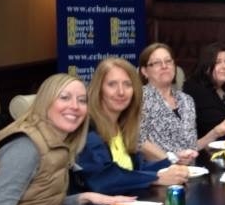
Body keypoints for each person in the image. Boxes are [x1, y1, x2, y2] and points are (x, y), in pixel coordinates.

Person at [0, 74, 134, 205]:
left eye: (82, 100)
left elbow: (33, 204)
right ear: (45, 102)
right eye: (64, 98)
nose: (75, 106)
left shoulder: (59, 141)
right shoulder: (24, 147)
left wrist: (84, 198)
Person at [74, 58, 191, 195]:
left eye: (127, 84)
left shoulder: (122, 126)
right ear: (99, 90)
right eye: (112, 84)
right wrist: (157, 178)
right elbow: (103, 179)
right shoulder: (89, 129)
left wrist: (172, 162)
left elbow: (135, 169)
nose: (121, 92)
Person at [138, 42, 225, 161]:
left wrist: (216, 132)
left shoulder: (186, 100)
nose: (164, 66)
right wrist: (173, 160)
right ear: (144, 71)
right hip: (157, 174)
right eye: (157, 63)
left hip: (190, 172)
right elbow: (138, 142)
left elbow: (191, 147)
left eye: (168, 61)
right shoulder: (139, 99)